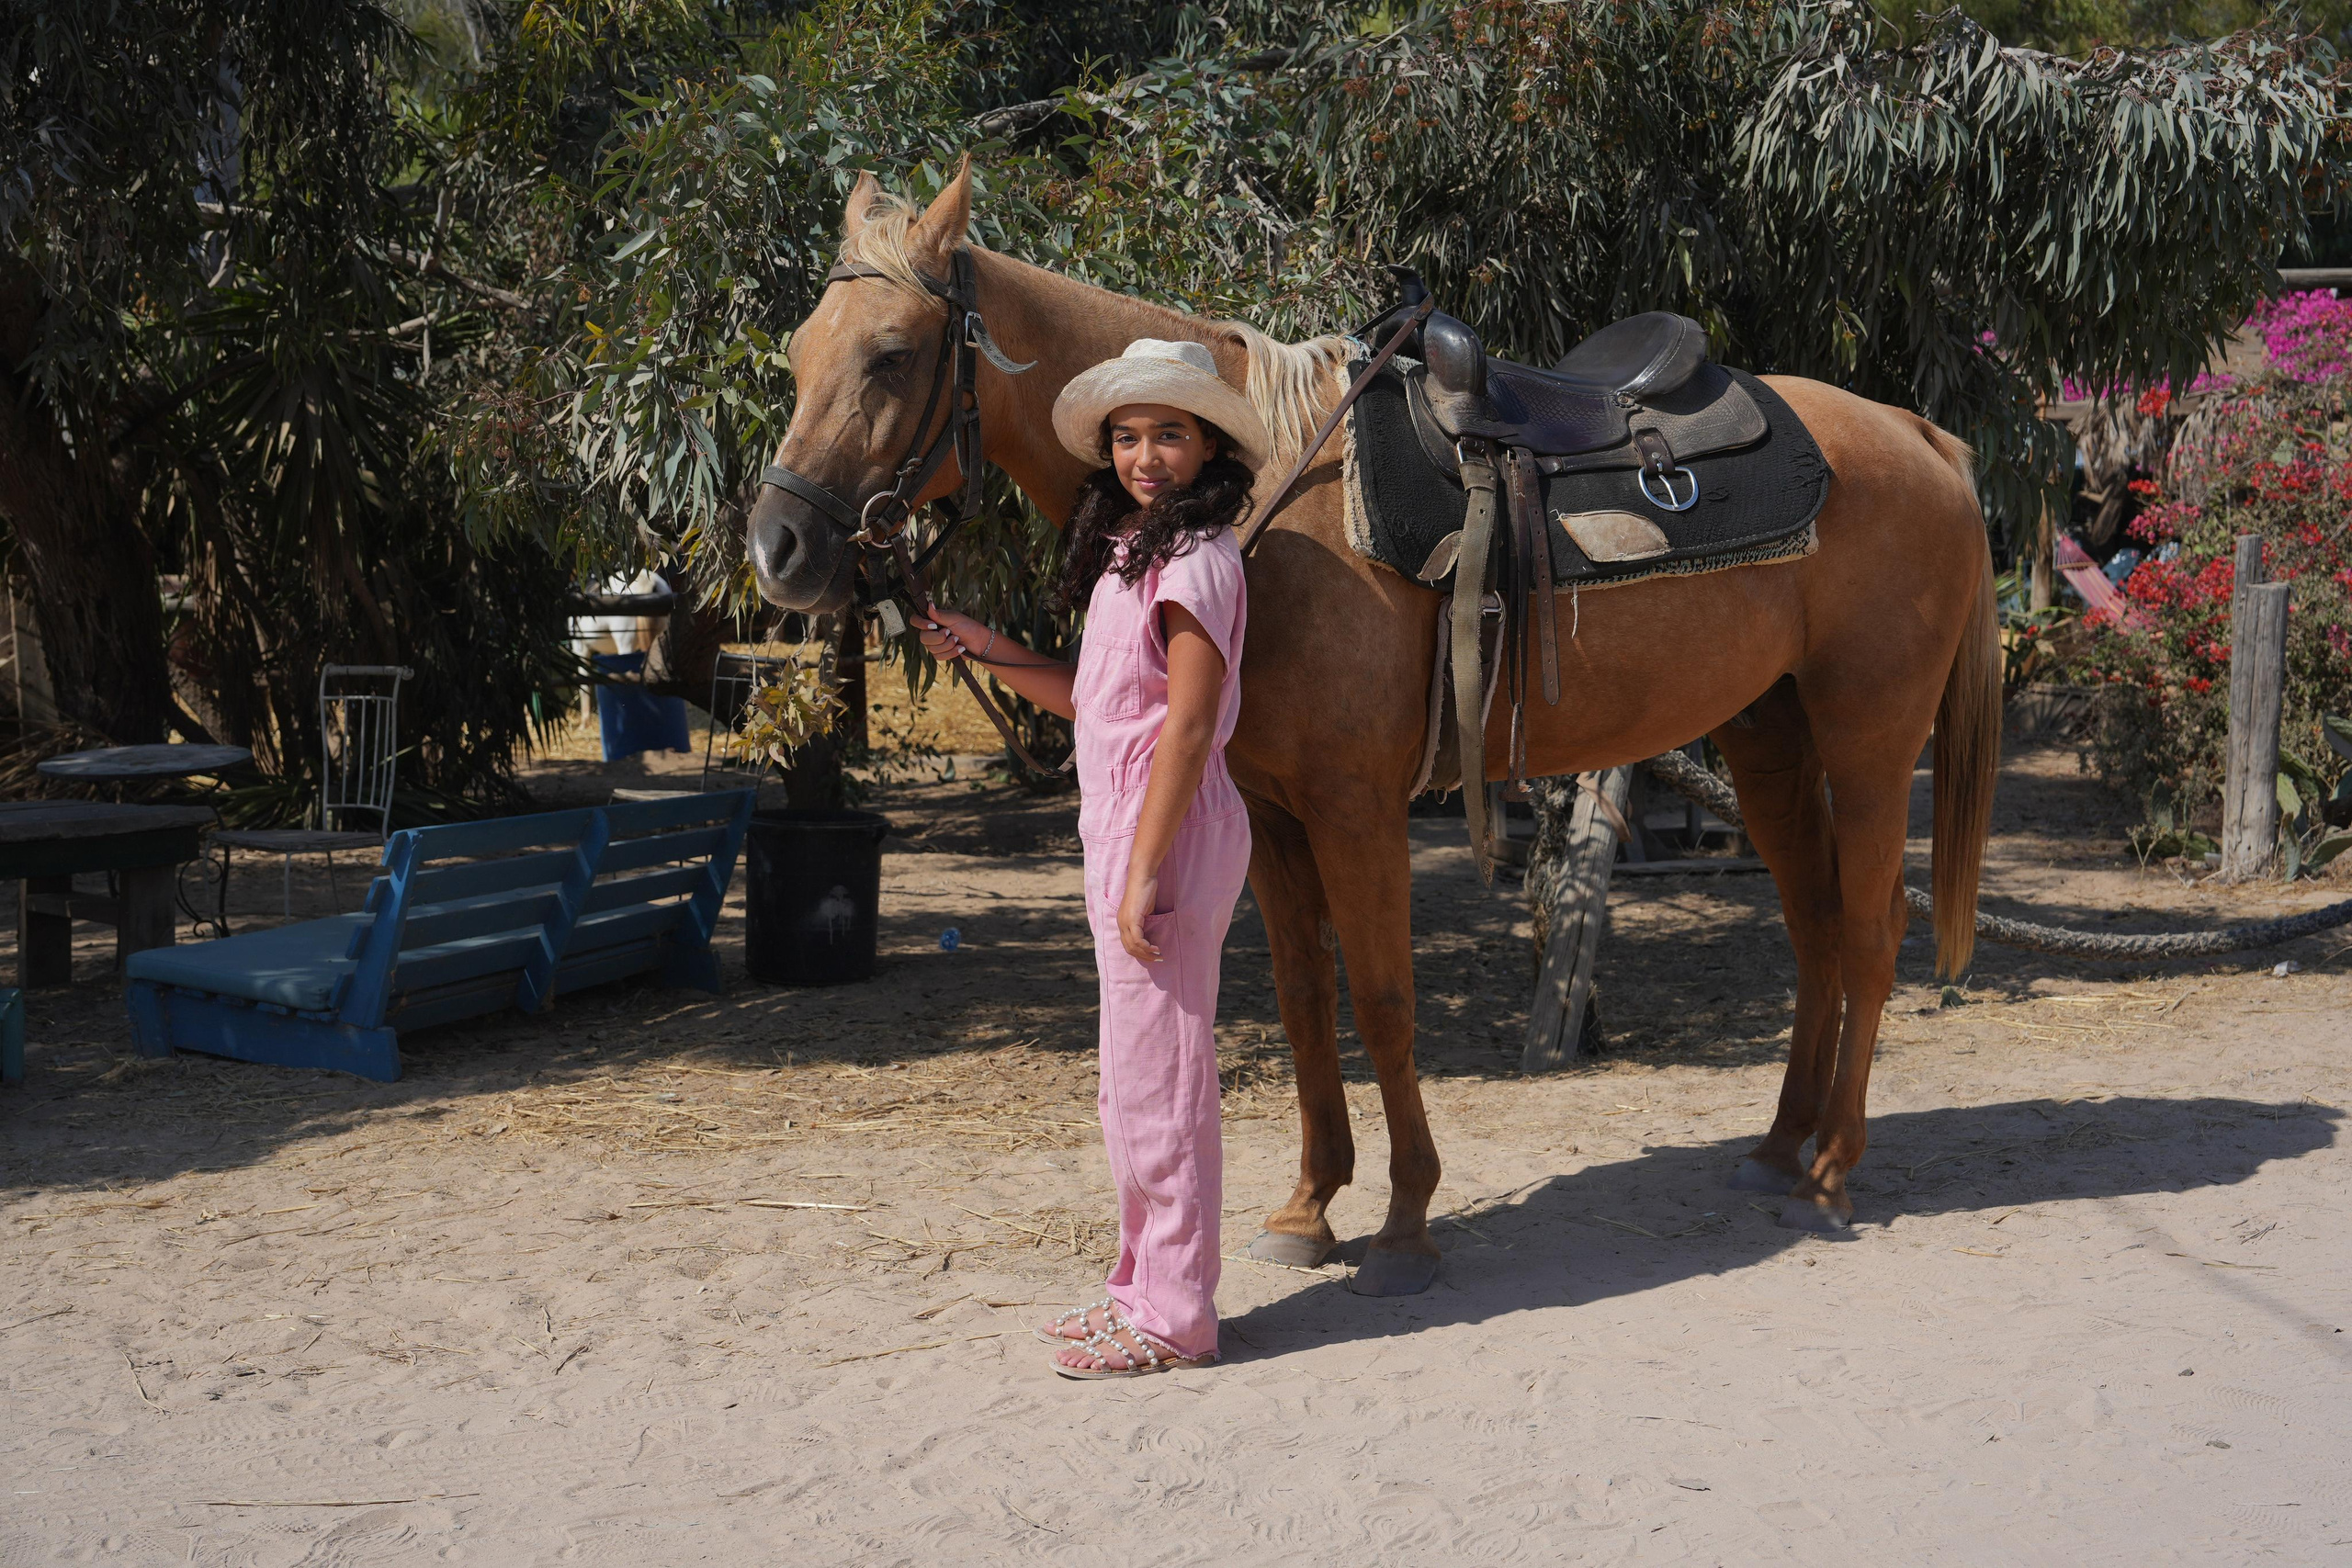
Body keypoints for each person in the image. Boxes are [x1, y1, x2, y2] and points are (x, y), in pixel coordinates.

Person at [915, 338, 1264, 1379]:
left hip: (1168, 833)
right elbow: (1099, 704)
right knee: (1129, 1083)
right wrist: (984, 645)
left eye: (1168, 433)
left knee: (1160, 1083)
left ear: (1207, 447)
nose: (1145, 454)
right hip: (1124, 828)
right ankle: (1139, 1289)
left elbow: (1190, 732)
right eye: (1126, 435)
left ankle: (1174, 1319)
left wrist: (1146, 869)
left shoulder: (1201, 561)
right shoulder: (1131, 555)